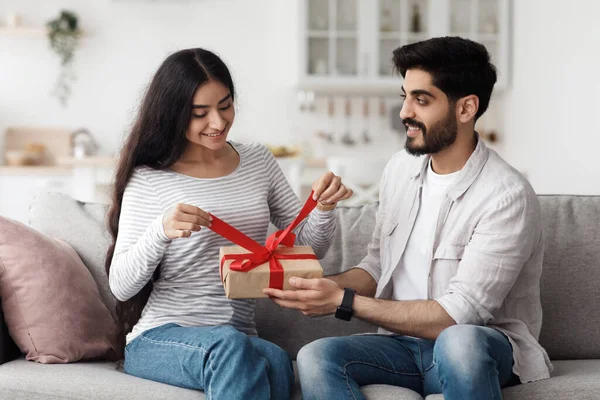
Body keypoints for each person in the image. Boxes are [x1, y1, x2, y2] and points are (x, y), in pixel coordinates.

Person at [264, 36, 553, 400]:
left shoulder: (506, 195)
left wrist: (344, 301)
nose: (404, 112)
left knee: (458, 342)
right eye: (405, 96)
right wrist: (317, 288)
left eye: (421, 99)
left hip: (481, 350)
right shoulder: (401, 168)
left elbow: (457, 316)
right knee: (317, 356)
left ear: (466, 109)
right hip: (402, 347)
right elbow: (377, 266)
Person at [104, 48, 352, 400]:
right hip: (161, 336)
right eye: (199, 113)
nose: (218, 123)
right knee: (230, 346)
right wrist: (160, 231)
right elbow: (121, 287)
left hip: (237, 335)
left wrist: (324, 208)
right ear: (173, 114)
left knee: (276, 360)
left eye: (225, 105)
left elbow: (311, 249)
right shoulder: (149, 178)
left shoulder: (257, 161)